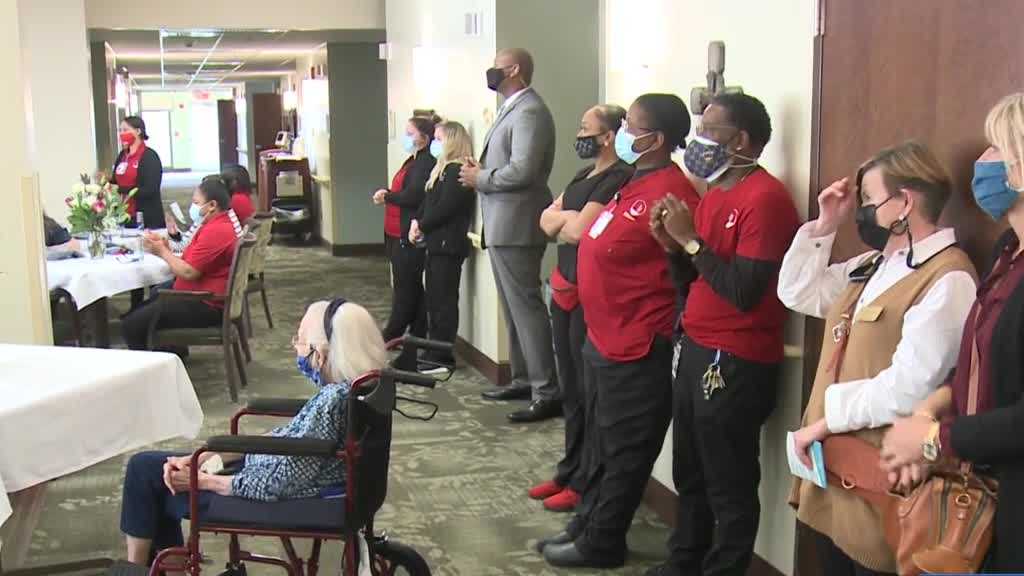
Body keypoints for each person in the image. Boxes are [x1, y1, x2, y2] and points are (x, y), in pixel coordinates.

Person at [783, 142, 976, 576]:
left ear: (904, 202)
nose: (863, 212)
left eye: (869, 200)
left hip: (883, 476)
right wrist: (824, 225)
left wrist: (826, 419)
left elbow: (910, 388)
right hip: (837, 469)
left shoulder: (948, 276)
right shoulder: (878, 263)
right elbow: (797, 292)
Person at [540, 93, 700, 568]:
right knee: (600, 442)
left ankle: (603, 540)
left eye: (632, 125)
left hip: (638, 342)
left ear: (657, 139)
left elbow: (685, 269)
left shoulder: (671, 193)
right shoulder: (631, 181)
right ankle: (587, 522)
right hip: (603, 336)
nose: (623, 132)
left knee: (625, 450)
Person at [644, 93, 800, 576]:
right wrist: (673, 247)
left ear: (742, 140)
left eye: (711, 132)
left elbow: (743, 292)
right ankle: (684, 561)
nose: (698, 141)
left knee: (728, 481)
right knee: (689, 470)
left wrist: (690, 240)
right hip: (696, 346)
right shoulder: (714, 194)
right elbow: (693, 282)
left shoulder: (767, 199)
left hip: (736, 358)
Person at [118, 299, 387, 566]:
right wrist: (205, 459)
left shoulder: (332, 402)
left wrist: (202, 481)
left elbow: (279, 483)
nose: (295, 346)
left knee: (149, 478)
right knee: (151, 470)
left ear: (320, 354)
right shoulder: (358, 390)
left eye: (301, 340)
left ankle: (137, 568)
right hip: (268, 472)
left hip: (267, 493)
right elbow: (288, 441)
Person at [881, 93, 1024, 573]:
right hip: (983, 496)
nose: (983, 161)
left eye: (996, 147)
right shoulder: (1007, 251)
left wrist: (932, 440)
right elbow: (981, 358)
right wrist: (931, 409)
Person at [530, 104, 633, 513]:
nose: (579, 135)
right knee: (569, 388)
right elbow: (546, 220)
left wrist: (566, 219)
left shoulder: (618, 177)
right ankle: (569, 470)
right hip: (563, 287)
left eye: (585, 128)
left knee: (588, 393)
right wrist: (567, 218)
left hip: (590, 294)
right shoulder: (582, 175)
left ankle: (585, 480)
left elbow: (579, 231)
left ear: (607, 136)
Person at [458, 47, 559, 423]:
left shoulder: (530, 110)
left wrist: (480, 178)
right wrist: (482, 168)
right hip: (503, 222)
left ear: (514, 70)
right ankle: (523, 378)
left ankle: (546, 390)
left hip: (518, 224)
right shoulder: (511, 109)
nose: (491, 73)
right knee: (513, 310)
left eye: (497, 67)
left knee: (526, 309)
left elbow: (524, 170)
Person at [121, 176, 239, 350]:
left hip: (206, 303)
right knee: (148, 302)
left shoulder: (217, 230)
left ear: (212, 205)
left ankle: (156, 364)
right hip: (198, 295)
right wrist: (165, 245)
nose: (193, 207)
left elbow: (189, 272)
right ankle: (173, 352)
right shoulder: (213, 224)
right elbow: (190, 256)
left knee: (131, 325)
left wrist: (162, 252)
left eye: (196, 203)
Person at [408, 121, 475, 373]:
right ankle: (433, 349)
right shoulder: (442, 170)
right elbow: (428, 203)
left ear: (452, 141)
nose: (435, 143)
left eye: (439, 139)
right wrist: (417, 222)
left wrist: (422, 224)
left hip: (449, 245)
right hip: (436, 244)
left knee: (444, 302)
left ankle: (443, 357)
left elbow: (446, 208)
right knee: (434, 300)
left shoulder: (459, 171)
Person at [373, 116, 438, 354]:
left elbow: (414, 195)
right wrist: (389, 193)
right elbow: (404, 190)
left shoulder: (425, 163)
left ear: (425, 138)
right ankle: (418, 332)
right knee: (411, 286)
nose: (406, 138)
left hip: (407, 234)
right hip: (395, 231)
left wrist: (387, 196)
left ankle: (393, 333)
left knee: (405, 287)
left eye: (410, 134)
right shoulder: (413, 160)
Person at [113, 116, 163, 229]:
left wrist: (121, 190)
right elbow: (115, 181)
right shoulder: (122, 155)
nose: (121, 133)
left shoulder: (149, 156)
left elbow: (150, 189)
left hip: (144, 216)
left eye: (125, 130)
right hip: (122, 214)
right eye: (120, 130)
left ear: (138, 131)